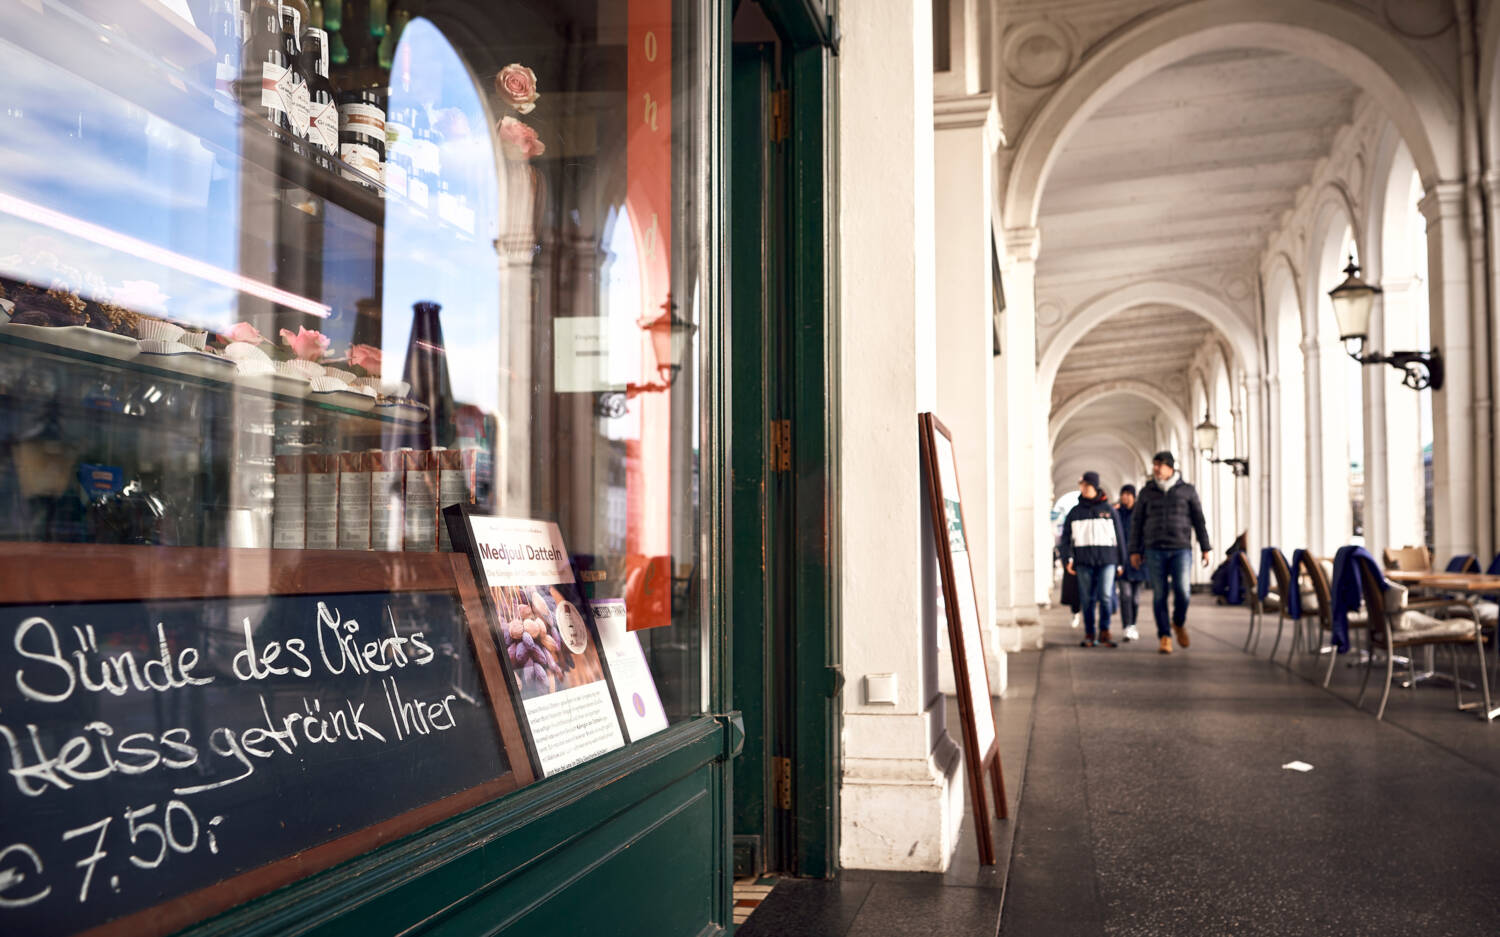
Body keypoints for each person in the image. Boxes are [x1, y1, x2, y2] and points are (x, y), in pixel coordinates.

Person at [1128, 451, 1212, 654]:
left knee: (1183, 591)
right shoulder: (1147, 492)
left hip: (1181, 548)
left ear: (1170, 467)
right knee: (1160, 595)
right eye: (1154, 465)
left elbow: (1198, 519)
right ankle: (1164, 636)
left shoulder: (1187, 490)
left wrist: (1205, 547)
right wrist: (1134, 550)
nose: (1156, 469)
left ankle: (1178, 622)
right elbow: (1137, 523)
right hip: (1154, 549)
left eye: (1160, 465)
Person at [1058, 471, 1127, 648]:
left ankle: (1105, 631)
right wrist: (1067, 559)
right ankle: (1090, 633)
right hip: (1083, 561)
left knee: (1105, 596)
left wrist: (1121, 561)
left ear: (1095, 486)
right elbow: (1065, 539)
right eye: (1082, 485)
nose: (1084, 488)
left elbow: (1119, 537)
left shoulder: (1109, 510)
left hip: (1107, 560)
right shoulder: (1074, 512)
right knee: (1087, 599)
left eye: (1087, 485)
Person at [1114, 484, 1146, 641]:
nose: (1124, 497)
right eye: (1123, 494)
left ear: (1134, 496)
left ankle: (1133, 624)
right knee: (1125, 595)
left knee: (1135, 598)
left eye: (1128, 494)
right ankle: (1127, 626)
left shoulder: (1141, 514)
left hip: (1138, 561)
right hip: (1122, 561)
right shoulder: (1117, 514)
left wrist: (1143, 554)